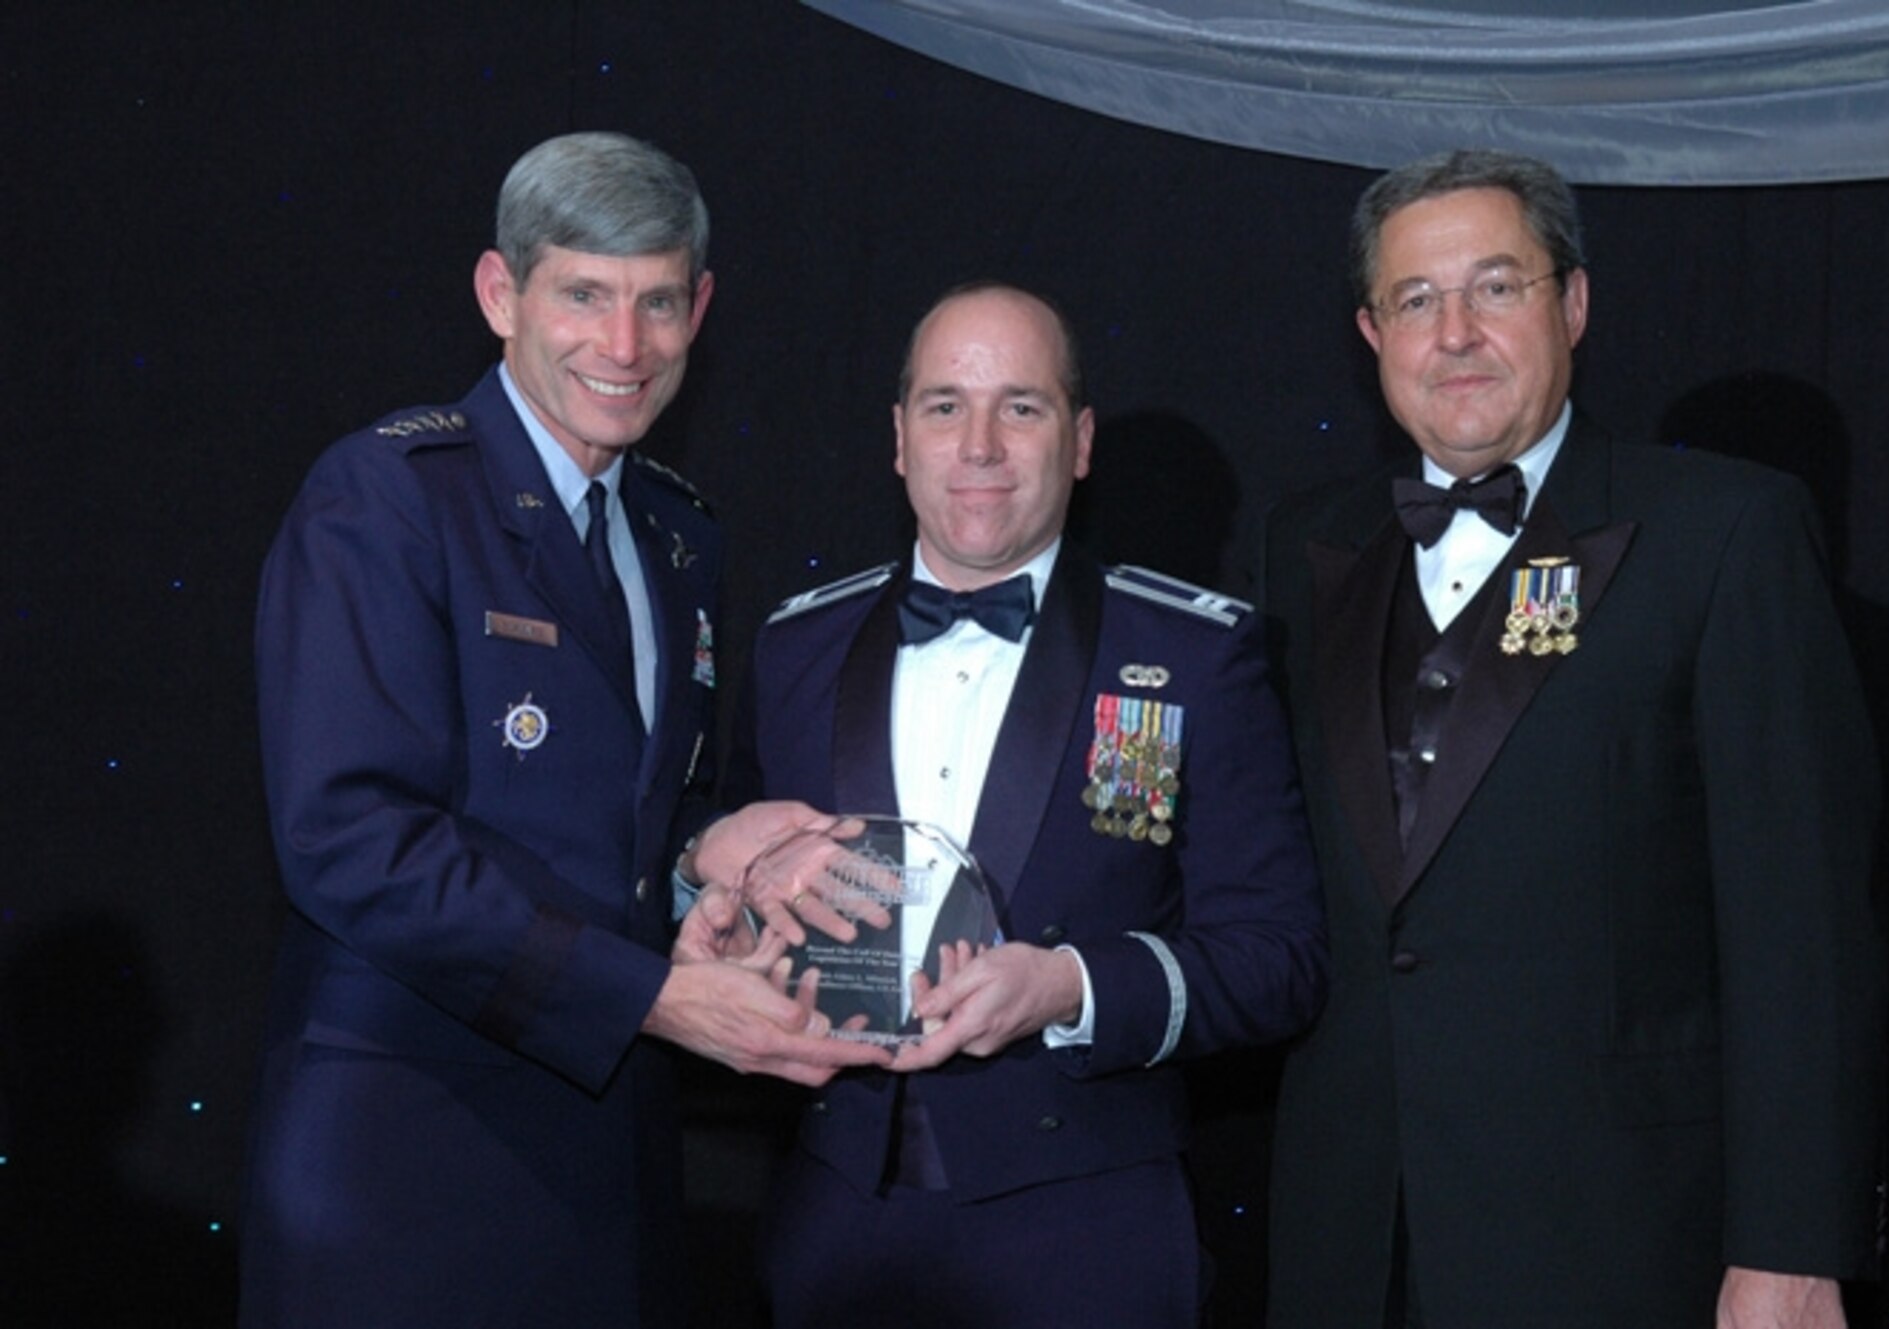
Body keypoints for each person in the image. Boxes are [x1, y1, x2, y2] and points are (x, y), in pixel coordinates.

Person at [238, 131, 885, 1329]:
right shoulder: (384, 499)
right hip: (409, 1146)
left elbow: (607, 814)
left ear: (699, 309)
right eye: (583, 295)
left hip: (609, 1151)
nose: (623, 348)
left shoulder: (678, 537)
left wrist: (707, 848)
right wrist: (647, 998)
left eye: (655, 303)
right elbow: (347, 840)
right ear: (501, 295)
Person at [1262, 149, 1885, 1328]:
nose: (1453, 332)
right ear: (1369, 331)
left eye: (1494, 287)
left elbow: (1802, 929)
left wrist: (1794, 1247)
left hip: (1622, 1242)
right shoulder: (1300, 546)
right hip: (1349, 1243)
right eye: (1414, 300)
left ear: (1573, 304)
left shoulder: (1724, 533)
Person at [709, 282, 1328, 1328]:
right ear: (898, 438)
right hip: (832, 1215)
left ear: (1079, 442)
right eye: (945, 406)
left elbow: (1281, 960)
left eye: (1022, 407)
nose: (980, 444)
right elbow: (714, 868)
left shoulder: (1192, 653)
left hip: (1086, 1226)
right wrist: (715, 871)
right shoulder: (795, 646)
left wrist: (1067, 986)